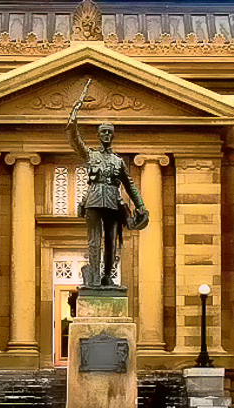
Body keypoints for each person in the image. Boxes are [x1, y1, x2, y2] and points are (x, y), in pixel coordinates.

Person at [66, 80, 149, 288]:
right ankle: (93, 278)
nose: (106, 135)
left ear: (112, 135)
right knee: (94, 241)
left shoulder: (117, 161)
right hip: (94, 200)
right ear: (98, 134)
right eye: (103, 132)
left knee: (112, 242)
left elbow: (129, 184)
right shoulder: (90, 155)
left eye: (109, 132)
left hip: (113, 201)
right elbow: (75, 140)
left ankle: (107, 277)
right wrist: (72, 120)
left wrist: (140, 205)